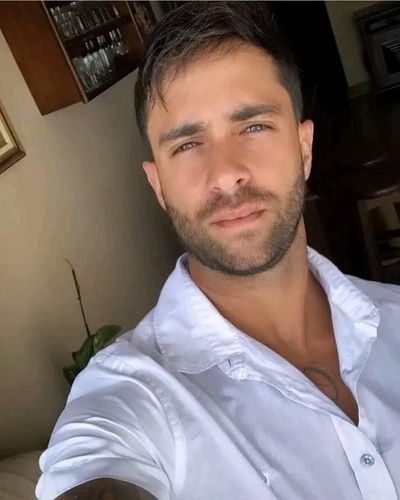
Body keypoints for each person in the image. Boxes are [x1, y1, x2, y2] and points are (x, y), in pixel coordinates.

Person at [36, 2, 400, 499]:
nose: (226, 174)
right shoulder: (134, 393)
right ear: (158, 185)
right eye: (187, 145)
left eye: (253, 126)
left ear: (304, 149)